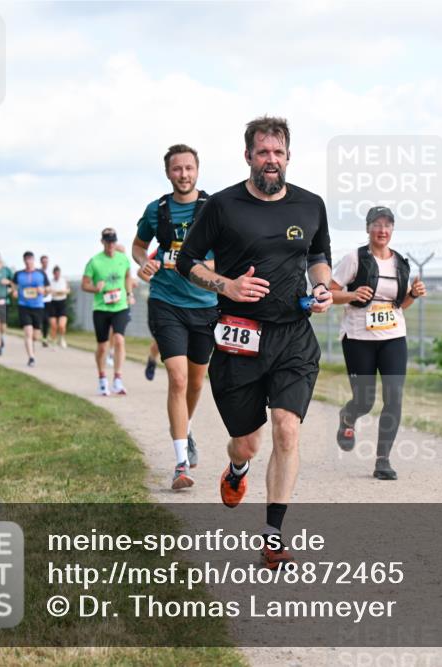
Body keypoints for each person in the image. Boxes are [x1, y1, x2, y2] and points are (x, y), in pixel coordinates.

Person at [177, 116, 333, 569]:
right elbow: (188, 262)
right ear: (248, 156)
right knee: (247, 442)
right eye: (263, 152)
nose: (271, 160)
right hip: (238, 339)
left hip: (293, 336)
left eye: (278, 153)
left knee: (287, 427)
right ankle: (238, 467)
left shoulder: (311, 204)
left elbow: (318, 256)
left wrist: (321, 287)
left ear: (288, 157)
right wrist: (226, 286)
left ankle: (273, 533)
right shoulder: (223, 206)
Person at [133, 143, 219, 490]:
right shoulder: (157, 210)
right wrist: (145, 263)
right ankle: (181, 463)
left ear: (197, 170)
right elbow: (140, 247)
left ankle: (186, 428)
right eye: (176, 169)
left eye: (188, 168)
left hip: (205, 304)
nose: (183, 175)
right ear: (168, 173)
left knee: (197, 382)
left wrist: (201, 267)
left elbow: (228, 257)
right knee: (179, 379)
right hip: (166, 302)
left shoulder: (215, 208)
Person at [329, 206, 427, 481]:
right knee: (365, 400)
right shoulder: (354, 258)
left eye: (387, 225)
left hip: (393, 336)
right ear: (368, 228)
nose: (382, 230)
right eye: (377, 224)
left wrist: (413, 295)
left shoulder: (401, 263)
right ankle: (348, 417)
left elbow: (400, 305)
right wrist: (351, 295)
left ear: (392, 230)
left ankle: (383, 460)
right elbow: (329, 293)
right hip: (358, 337)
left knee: (394, 396)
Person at [81, 228, 134, 396]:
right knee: (103, 347)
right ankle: (102, 379)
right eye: (108, 241)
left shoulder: (123, 259)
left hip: (120, 306)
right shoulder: (94, 262)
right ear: (102, 242)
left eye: (113, 241)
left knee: (119, 340)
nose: (111, 244)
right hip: (101, 308)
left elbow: (127, 277)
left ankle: (118, 379)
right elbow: (84, 284)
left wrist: (129, 293)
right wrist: (95, 288)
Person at [12, 251, 48, 367]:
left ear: (33, 260)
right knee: (28, 332)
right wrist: (14, 292)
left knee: (35, 335)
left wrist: (43, 291)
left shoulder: (41, 273)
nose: (28, 261)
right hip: (24, 305)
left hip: (38, 306)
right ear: (24, 261)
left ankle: (32, 349)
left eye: (30, 259)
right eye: (26, 259)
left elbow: (48, 289)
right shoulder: (18, 274)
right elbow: (13, 286)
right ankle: (31, 357)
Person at [47, 265, 70, 348]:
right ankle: (53, 341)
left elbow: (68, 291)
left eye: (58, 273)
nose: (57, 275)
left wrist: (61, 292)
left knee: (61, 325)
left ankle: (62, 338)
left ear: (60, 273)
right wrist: (51, 291)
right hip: (53, 303)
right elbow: (48, 291)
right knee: (53, 326)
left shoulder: (64, 280)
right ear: (53, 273)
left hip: (62, 303)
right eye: (55, 273)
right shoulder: (50, 281)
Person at [39, 255, 53, 347]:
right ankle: (39, 334)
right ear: (41, 262)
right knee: (39, 319)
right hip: (39, 299)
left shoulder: (51, 273)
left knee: (46, 320)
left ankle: (45, 338)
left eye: (46, 261)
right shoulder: (38, 272)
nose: (45, 263)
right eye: (43, 261)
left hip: (48, 300)